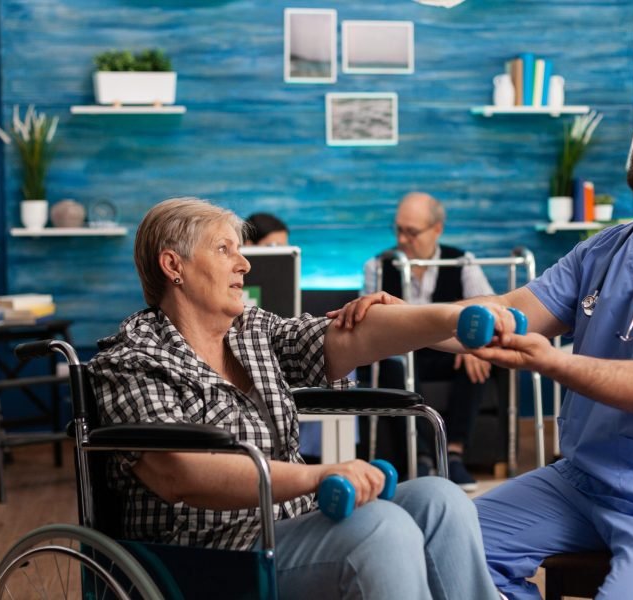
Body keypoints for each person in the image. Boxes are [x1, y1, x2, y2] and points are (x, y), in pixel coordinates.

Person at [332, 71, 633, 599]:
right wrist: (412, 314)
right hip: (584, 481)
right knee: (437, 545)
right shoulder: (605, 249)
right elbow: (507, 312)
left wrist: (550, 362)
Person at [87, 197, 503, 600]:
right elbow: (179, 473)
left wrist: (454, 319)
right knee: (381, 528)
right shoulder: (133, 359)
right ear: (173, 265)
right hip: (207, 557)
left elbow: (346, 338)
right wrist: (318, 475)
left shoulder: (251, 331)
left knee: (442, 501)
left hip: (290, 524)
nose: (244, 263)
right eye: (223, 249)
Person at [362, 191, 499, 491]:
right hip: (402, 351)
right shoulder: (379, 265)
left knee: (477, 357)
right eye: (398, 229)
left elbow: (488, 306)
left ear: (437, 229)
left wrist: (475, 346)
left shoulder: (462, 261)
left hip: (447, 350)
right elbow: (369, 321)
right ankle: (422, 456)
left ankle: (454, 455)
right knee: (393, 366)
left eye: (411, 231)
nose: (402, 239)